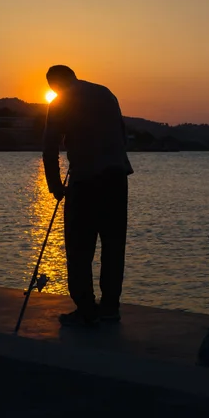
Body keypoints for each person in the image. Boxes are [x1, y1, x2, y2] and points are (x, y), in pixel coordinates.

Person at [42, 65, 133, 327]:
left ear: (53, 84)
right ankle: (110, 308)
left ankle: (86, 308)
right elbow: (121, 134)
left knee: (79, 248)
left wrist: (56, 186)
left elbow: (49, 148)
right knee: (113, 247)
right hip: (116, 179)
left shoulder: (60, 100)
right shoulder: (106, 93)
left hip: (86, 181)